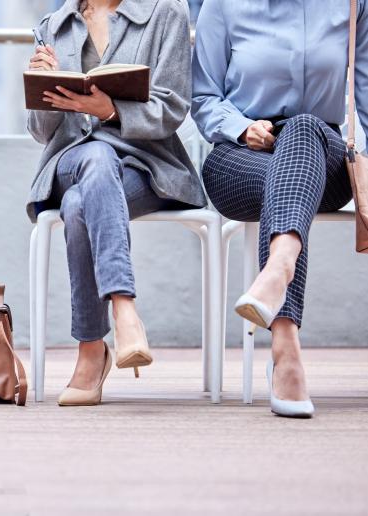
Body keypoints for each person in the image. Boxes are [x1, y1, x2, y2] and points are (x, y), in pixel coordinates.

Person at [192, 0, 367, 418]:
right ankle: (281, 292)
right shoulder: (224, 6)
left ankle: (280, 309)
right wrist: (240, 127)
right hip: (238, 159)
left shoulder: (351, 6)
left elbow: (365, 96)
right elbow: (203, 97)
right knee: (288, 184)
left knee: (305, 127)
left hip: (324, 156)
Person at [27, 0, 205, 406]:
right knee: (95, 158)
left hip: (146, 165)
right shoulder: (53, 26)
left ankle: (92, 350)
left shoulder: (166, 13)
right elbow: (40, 132)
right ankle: (124, 311)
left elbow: (173, 107)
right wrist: (41, 83)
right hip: (71, 157)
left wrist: (108, 109)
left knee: (78, 205)